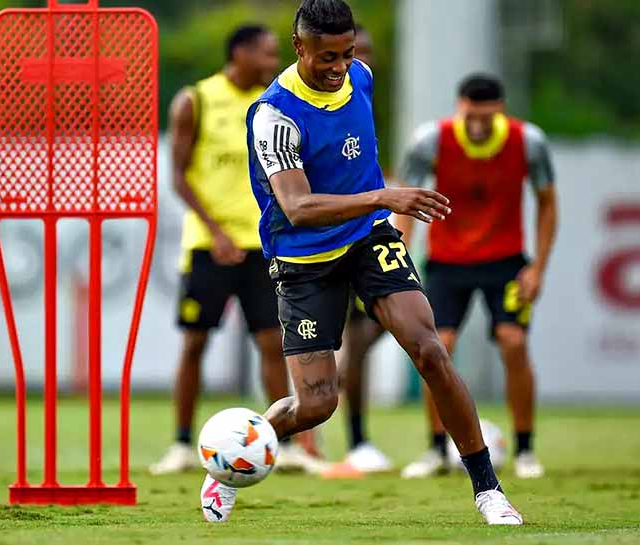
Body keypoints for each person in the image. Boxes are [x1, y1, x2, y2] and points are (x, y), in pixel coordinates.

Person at [199, 0, 523, 525]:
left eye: (347, 53)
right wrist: (382, 197)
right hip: (305, 259)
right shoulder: (274, 116)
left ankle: (488, 490)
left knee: (430, 351)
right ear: (299, 47)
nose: (338, 67)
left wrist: (376, 206)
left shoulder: (361, 77)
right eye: (326, 56)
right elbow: (299, 209)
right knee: (316, 404)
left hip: (368, 239)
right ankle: (232, 455)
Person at [151, 24, 321, 476]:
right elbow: (179, 177)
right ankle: (182, 445)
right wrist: (217, 231)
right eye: (266, 55)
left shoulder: (278, 101)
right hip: (210, 246)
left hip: (264, 247)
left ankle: (279, 445)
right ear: (240, 53)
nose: (273, 63)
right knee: (195, 342)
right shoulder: (197, 100)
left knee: (271, 343)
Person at [397, 74, 557, 481]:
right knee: (437, 347)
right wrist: (398, 255)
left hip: (505, 262)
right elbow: (405, 199)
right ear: (459, 107)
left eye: (488, 115)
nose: (480, 124)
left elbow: (547, 203)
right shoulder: (431, 141)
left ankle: (524, 449)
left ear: (500, 110)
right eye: (472, 115)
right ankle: (436, 450)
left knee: (513, 341)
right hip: (447, 262)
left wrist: (537, 267)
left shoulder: (529, 142)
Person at [324, 22, 392, 476]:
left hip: (368, 235)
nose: (356, 62)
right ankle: (354, 439)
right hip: (326, 239)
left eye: (361, 52)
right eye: (351, 52)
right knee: (342, 340)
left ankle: (358, 437)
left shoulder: (362, 92)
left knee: (373, 335)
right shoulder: (304, 100)